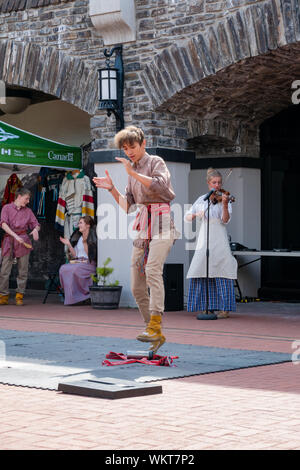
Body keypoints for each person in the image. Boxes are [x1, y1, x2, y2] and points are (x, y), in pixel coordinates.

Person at [93, 126, 178, 352]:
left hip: (162, 225)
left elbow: (161, 186)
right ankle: (152, 330)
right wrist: (111, 189)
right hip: (143, 228)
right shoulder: (131, 173)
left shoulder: (156, 162)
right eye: (125, 148)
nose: (129, 151)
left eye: (132, 146)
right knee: (137, 286)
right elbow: (128, 207)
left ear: (143, 143)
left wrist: (131, 173)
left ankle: (155, 324)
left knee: (152, 270)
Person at [185, 168, 237, 319]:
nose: (217, 185)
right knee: (202, 268)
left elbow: (225, 220)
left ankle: (224, 309)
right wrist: (196, 214)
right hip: (204, 237)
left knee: (222, 268)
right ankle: (207, 306)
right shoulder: (202, 199)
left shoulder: (224, 198)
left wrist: (225, 205)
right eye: (214, 182)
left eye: (219, 182)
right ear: (208, 183)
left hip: (219, 236)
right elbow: (187, 217)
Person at [0, 187, 40, 306]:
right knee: (4, 270)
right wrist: (15, 236)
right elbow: (3, 224)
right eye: (26, 198)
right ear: (19, 196)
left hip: (24, 241)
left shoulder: (28, 211)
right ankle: (3, 295)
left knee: (23, 270)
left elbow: (36, 224)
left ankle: (19, 295)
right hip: (9, 240)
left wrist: (36, 230)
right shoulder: (6, 208)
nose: (28, 201)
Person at [59, 215, 97, 305]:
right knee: (63, 268)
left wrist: (85, 242)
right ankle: (71, 297)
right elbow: (75, 255)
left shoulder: (92, 237)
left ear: (87, 225)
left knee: (74, 270)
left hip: (89, 264)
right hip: (79, 262)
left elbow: (91, 256)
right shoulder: (79, 238)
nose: (78, 225)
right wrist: (68, 244)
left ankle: (82, 296)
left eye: (81, 223)